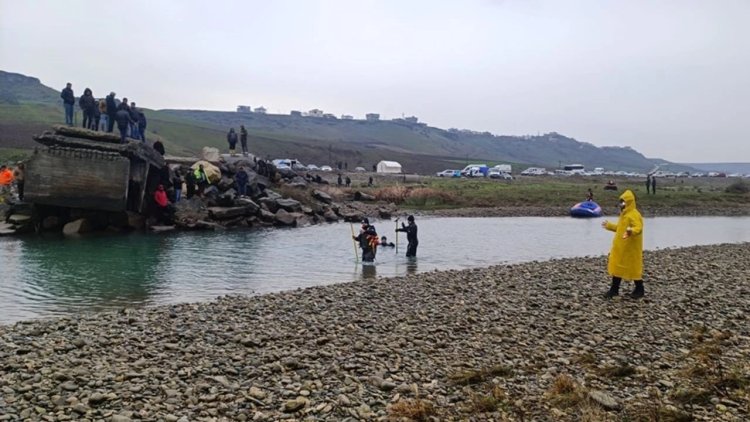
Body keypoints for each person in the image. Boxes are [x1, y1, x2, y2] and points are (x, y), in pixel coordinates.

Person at [602, 190, 645, 299]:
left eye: (623, 202)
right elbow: (620, 228)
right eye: (621, 202)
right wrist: (609, 226)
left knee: (633, 268)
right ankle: (614, 290)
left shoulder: (634, 214)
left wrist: (632, 231)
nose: (621, 204)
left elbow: (638, 228)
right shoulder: (624, 215)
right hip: (621, 246)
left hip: (630, 247)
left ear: (629, 202)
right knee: (618, 266)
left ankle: (639, 289)